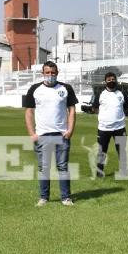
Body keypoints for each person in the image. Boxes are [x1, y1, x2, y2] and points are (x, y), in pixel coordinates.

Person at [23, 61, 78, 207]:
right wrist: (32, 133)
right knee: (43, 167)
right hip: (42, 135)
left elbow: (71, 109)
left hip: (61, 134)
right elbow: (29, 111)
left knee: (62, 166)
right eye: (47, 72)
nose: (50, 75)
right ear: (43, 73)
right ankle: (43, 197)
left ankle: (66, 197)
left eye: (53, 73)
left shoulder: (66, 88)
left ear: (57, 73)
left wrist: (70, 130)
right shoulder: (35, 89)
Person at [90, 72, 128, 178]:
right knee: (102, 151)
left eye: (113, 79)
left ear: (116, 80)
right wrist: (105, 117)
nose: (111, 81)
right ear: (105, 81)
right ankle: (99, 172)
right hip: (104, 128)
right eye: (109, 80)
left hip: (119, 128)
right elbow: (94, 108)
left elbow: (126, 107)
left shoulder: (121, 94)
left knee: (122, 150)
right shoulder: (100, 94)